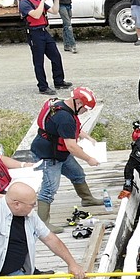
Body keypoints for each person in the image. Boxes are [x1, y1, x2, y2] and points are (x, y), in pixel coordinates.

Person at [31, 86, 102, 225]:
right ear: (79, 103)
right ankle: (42, 224)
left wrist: (88, 138)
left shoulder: (61, 105)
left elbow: (72, 130)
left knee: (77, 174)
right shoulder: (65, 118)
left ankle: (87, 199)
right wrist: (89, 159)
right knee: (49, 189)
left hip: (59, 152)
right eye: (85, 109)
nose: (84, 112)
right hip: (47, 155)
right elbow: (71, 146)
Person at [19, 0, 72, 95]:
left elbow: (54, 10)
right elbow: (36, 15)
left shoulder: (38, 0)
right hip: (34, 33)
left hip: (44, 31)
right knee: (39, 61)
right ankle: (43, 86)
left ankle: (59, 81)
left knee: (56, 56)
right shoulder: (24, 3)